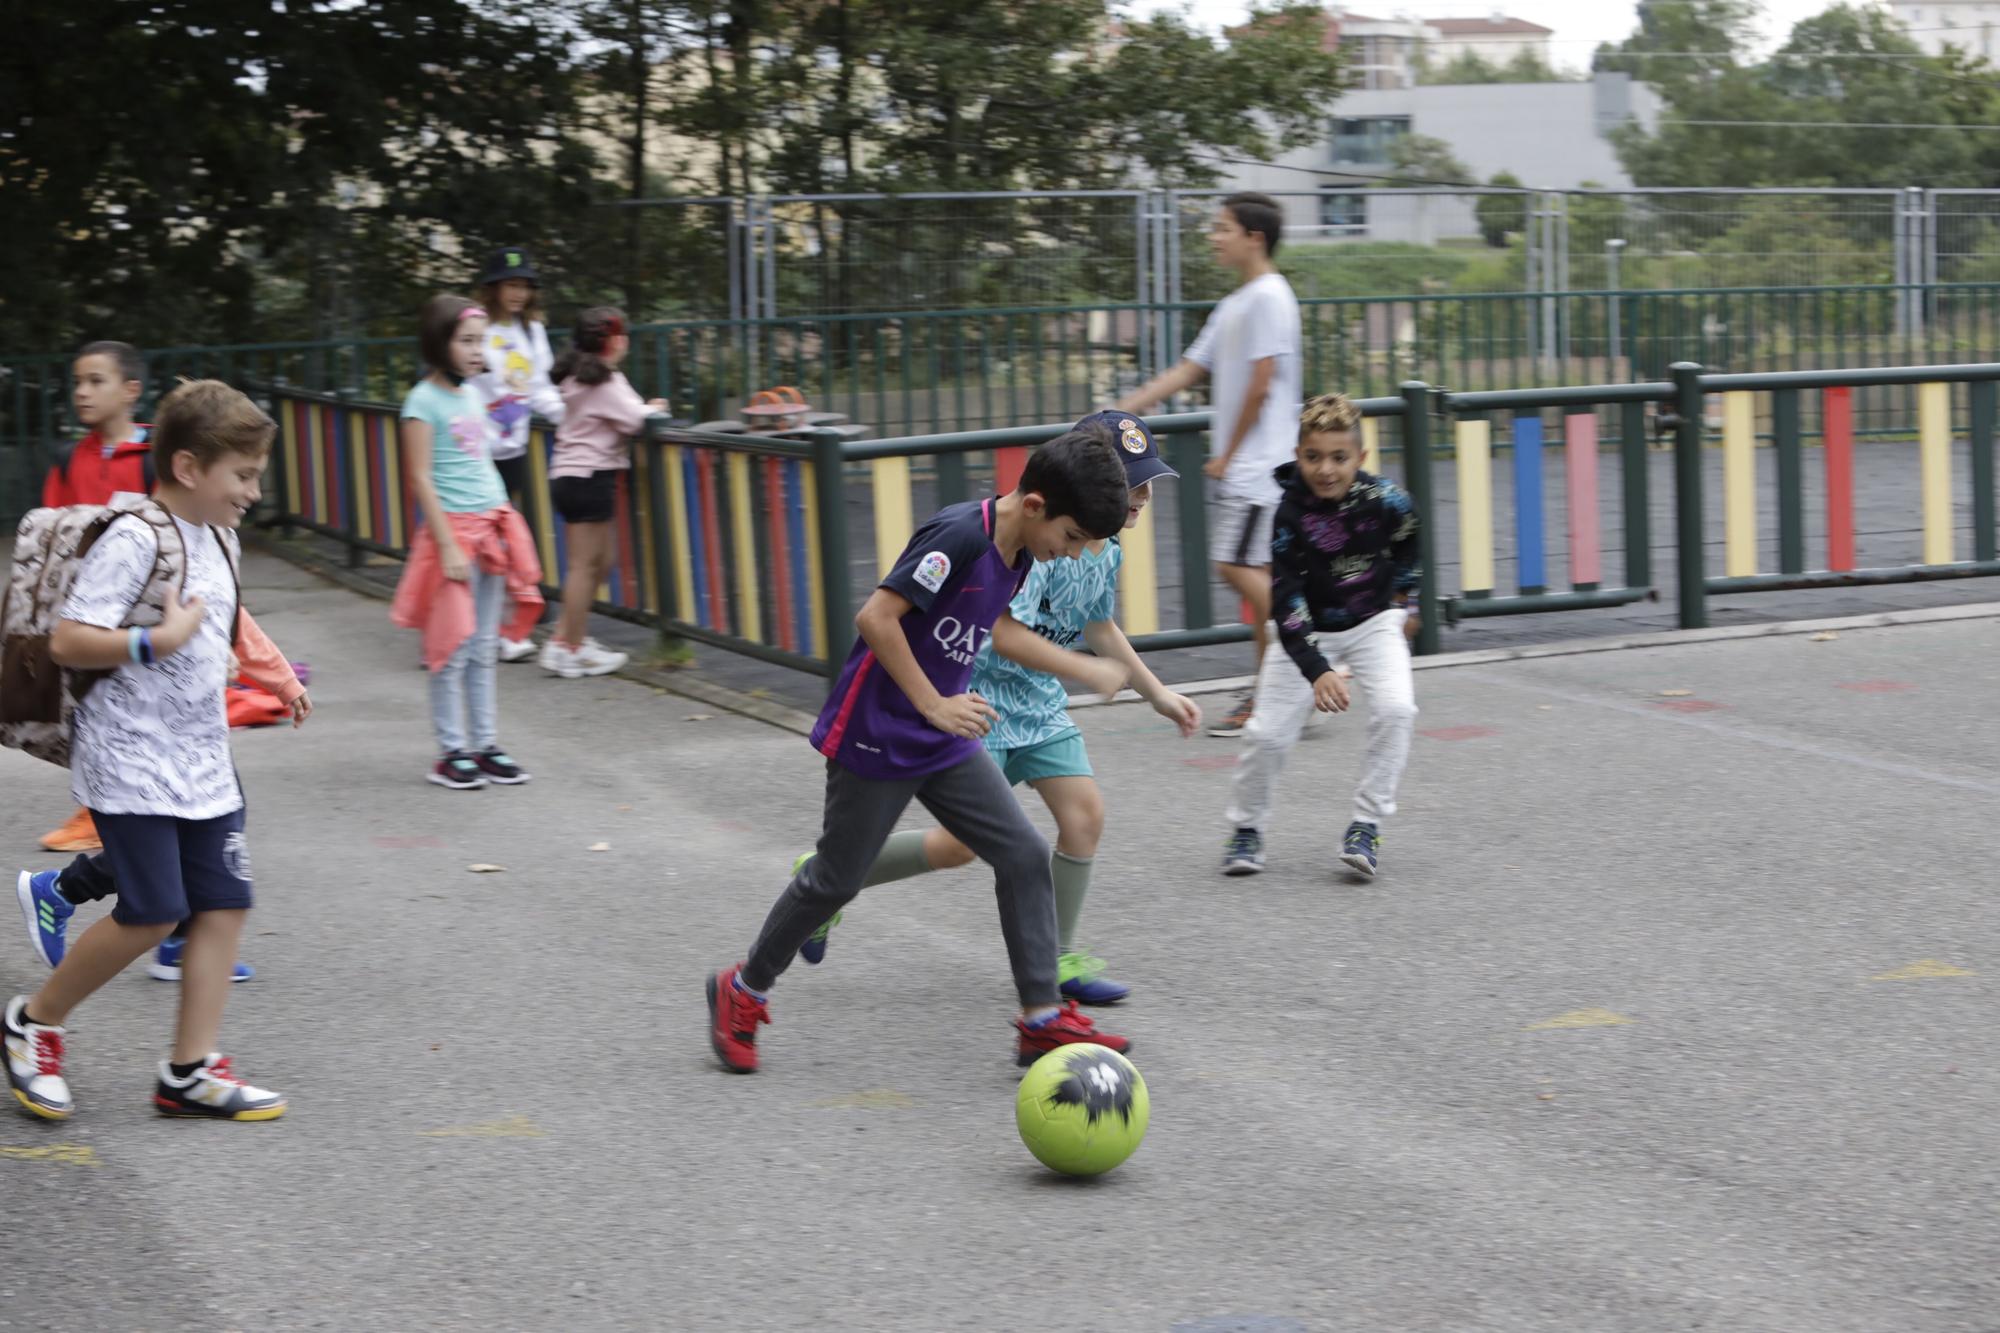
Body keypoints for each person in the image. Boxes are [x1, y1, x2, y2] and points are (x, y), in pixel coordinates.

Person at [705, 429, 1137, 1074]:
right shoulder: (961, 535)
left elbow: (983, 626)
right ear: (1039, 505)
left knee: (1020, 852)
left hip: (943, 737)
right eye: (1072, 538)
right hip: (878, 731)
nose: (1072, 555)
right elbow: (876, 619)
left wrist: (948, 710)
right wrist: (934, 703)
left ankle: (1041, 1019)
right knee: (835, 879)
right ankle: (740, 990)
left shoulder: (1020, 552)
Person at [793, 412, 1200, 1006]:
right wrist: (1084, 669)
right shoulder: (1046, 541)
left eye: (1146, 484)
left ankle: (1054, 956)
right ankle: (830, 875)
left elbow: (1098, 623)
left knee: (1083, 815)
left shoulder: (1101, 549)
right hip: (982, 698)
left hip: (1039, 703)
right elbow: (1003, 632)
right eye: (1130, 482)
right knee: (960, 846)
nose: (1140, 496)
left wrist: (1156, 691)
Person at [3, 380, 294, 1122]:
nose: (254, 492)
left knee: (224, 903)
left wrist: (276, 671)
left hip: (200, 754)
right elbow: (70, 637)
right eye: (244, 475)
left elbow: (227, 615)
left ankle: (189, 1071)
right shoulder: (137, 535)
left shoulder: (217, 536)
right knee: (154, 911)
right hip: (130, 756)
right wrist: (153, 641)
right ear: (191, 467)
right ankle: (32, 1023)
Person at [18, 610, 307, 982]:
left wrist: (283, 680)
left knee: (206, 829)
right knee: (181, 841)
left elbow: (232, 618)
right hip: (138, 723)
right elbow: (75, 632)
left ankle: (178, 939)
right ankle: (63, 905)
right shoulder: (149, 552)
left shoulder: (207, 553)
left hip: (191, 725)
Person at [1117, 191, 1301, 738]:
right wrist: (1119, 411)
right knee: (1258, 575)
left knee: (1235, 568)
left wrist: (1227, 452)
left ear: (1254, 238)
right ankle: (1276, 689)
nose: (1214, 237)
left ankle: (1303, 660)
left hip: (1260, 466)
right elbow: (1187, 371)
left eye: (1223, 228)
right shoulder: (1236, 304)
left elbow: (1264, 380)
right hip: (1256, 466)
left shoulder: (1269, 296)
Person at [1221, 393, 1420, 881]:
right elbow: (1285, 603)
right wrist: (1319, 672)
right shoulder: (1289, 515)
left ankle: (1366, 825)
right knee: (1266, 735)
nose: (1325, 469)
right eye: (1312, 457)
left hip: (1373, 623)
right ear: (1297, 456)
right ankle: (1247, 829)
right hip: (1308, 630)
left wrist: (1404, 600)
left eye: (1339, 457)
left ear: (1361, 458)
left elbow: (1410, 539)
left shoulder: (1387, 500)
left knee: (1398, 709)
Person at [390, 295, 545, 790]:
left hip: (492, 525)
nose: (479, 351)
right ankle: (450, 750)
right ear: (441, 343)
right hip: (452, 536)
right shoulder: (421, 402)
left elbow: (480, 462)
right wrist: (448, 545)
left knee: (483, 646)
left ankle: (485, 743)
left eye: (482, 341)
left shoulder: (473, 395)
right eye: (468, 341)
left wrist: (503, 519)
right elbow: (420, 478)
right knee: (450, 646)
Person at [35, 341, 155, 854]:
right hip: (87, 610)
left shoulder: (159, 456)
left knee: (146, 710)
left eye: (95, 381)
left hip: (145, 610)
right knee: (90, 709)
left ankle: (144, 806)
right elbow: (50, 537)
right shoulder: (68, 459)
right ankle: (96, 813)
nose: (82, 392)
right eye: (78, 382)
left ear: (131, 391)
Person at [540, 306, 666, 679]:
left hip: (574, 477)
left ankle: (567, 636)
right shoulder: (603, 381)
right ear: (615, 341)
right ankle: (570, 649)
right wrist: (655, 408)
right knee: (584, 567)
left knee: (602, 561)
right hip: (588, 477)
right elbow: (635, 419)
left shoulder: (580, 377)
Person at [468, 245, 565, 663]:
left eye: (524, 285)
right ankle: (480, 631)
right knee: (484, 541)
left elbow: (540, 388)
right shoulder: (475, 327)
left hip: (514, 448)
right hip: (474, 450)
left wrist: (571, 416)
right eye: (510, 284)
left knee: (503, 540)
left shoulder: (532, 331)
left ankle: (499, 628)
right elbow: (461, 382)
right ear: (492, 288)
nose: (518, 293)